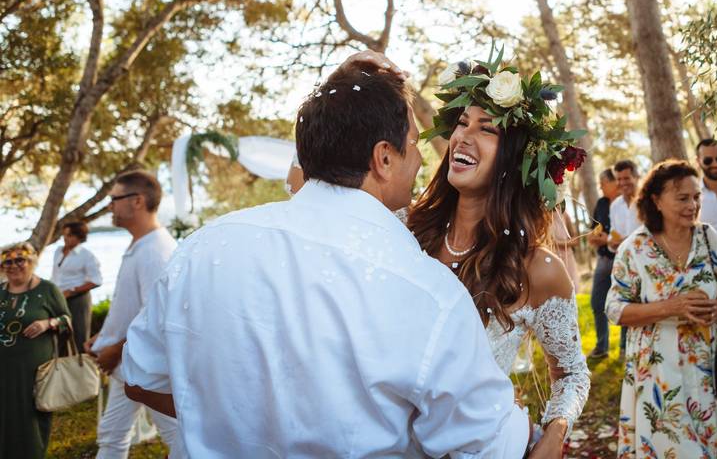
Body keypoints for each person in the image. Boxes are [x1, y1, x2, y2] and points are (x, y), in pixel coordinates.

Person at [123, 59, 532, 457]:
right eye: (413, 145)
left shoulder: (203, 248)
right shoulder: (427, 293)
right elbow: (492, 447)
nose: (423, 158)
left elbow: (139, 377)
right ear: (384, 158)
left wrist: (229, 419)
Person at [407, 53, 591, 455]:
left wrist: (554, 435)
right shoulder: (404, 230)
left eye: (486, 128)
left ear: (516, 157)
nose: (463, 136)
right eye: (461, 123)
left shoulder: (538, 269)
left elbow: (573, 373)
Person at [605, 160, 717, 457]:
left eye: (696, 197)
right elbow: (615, 310)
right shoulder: (634, 248)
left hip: (702, 373)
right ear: (655, 200)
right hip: (655, 374)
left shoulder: (708, 238)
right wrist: (671, 307)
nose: (692, 205)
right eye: (682, 198)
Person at [86, 170, 184, 459]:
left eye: (114, 199)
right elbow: (132, 307)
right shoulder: (141, 244)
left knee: (181, 434)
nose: (110, 207)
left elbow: (156, 317)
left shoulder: (156, 251)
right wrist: (104, 337)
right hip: (130, 364)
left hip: (145, 368)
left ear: (137, 201)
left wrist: (115, 349)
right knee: (112, 433)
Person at [0, 242, 71, 459]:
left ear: (31, 261)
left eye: (20, 260)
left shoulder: (47, 290)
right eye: (7, 261)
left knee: (31, 420)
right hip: (3, 372)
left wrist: (47, 324)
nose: (14, 266)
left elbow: (67, 321)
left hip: (34, 373)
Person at [50, 220, 102, 350]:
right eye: (64, 235)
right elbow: (55, 275)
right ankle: (61, 368)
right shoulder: (58, 251)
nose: (64, 238)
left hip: (78, 300)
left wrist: (72, 291)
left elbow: (97, 280)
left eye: (68, 235)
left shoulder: (87, 256)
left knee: (79, 336)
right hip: (59, 299)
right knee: (59, 335)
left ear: (79, 237)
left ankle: (81, 367)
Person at [587, 168, 619, 359]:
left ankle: (624, 348)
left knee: (625, 303)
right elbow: (594, 232)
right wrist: (598, 238)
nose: (600, 187)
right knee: (597, 302)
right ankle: (602, 346)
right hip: (603, 260)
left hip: (621, 261)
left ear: (614, 182)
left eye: (603, 183)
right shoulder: (601, 203)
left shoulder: (626, 203)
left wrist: (608, 239)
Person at [609, 159, 642, 250]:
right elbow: (613, 232)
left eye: (626, 178)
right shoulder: (614, 206)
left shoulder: (647, 202)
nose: (622, 183)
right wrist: (611, 242)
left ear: (637, 178)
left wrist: (626, 241)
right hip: (624, 260)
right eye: (619, 179)